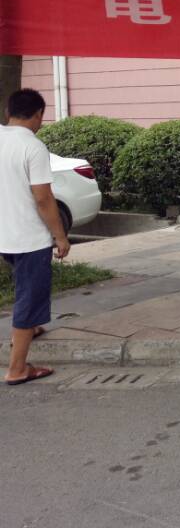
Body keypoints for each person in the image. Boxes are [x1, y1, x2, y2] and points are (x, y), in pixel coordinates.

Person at [1, 89, 70, 386]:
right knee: (28, 298)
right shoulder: (33, 147)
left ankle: (30, 328)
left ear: (9, 111)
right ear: (39, 114)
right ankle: (17, 368)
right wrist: (60, 236)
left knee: (26, 288)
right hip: (28, 238)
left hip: (4, 236)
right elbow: (43, 198)